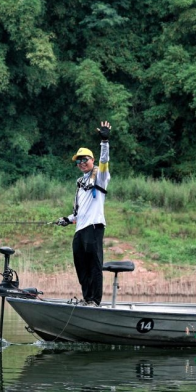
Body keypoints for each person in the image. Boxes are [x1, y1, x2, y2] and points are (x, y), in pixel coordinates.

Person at [57, 121, 112, 306]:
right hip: (79, 229)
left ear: (92, 160)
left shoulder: (101, 176)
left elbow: (105, 161)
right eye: (78, 161)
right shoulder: (80, 183)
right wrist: (67, 219)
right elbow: (78, 212)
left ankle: (95, 301)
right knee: (81, 267)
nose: (81, 163)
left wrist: (104, 140)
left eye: (84, 159)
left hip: (94, 227)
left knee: (94, 265)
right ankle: (87, 298)